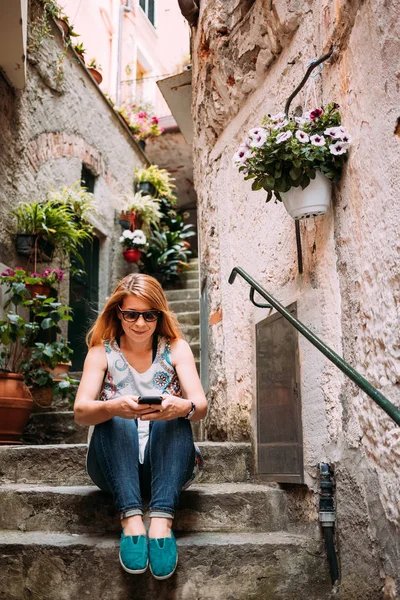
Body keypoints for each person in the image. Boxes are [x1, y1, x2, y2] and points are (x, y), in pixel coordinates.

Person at [74, 273, 207, 580]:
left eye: (149, 315)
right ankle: (132, 522)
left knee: (174, 411)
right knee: (114, 412)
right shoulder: (101, 352)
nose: (140, 324)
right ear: (117, 313)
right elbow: (81, 412)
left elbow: (200, 406)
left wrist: (180, 406)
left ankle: (161, 524)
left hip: (169, 467)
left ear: (159, 315)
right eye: (131, 314)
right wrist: (114, 406)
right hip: (113, 468)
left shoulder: (176, 348)